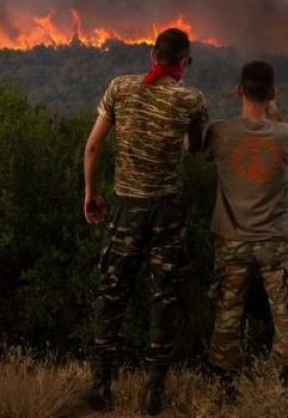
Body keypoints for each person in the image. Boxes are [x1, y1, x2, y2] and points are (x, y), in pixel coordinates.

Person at [82, 28, 207, 415]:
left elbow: (92, 145)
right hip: (167, 210)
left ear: (152, 56)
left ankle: (102, 387)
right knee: (163, 297)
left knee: (112, 293)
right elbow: (196, 147)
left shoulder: (119, 88)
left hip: (126, 207)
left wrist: (90, 193)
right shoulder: (192, 99)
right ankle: (154, 392)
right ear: (183, 62)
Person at [203, 60, 288, 407]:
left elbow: (199, 150)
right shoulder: (286, 134)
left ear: (238, 91)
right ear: (273, 93)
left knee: (227, 311)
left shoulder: (219, 133)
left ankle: (224, 388)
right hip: (276, 241)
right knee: (286, 313)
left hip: (232, 240)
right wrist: (275, 114)